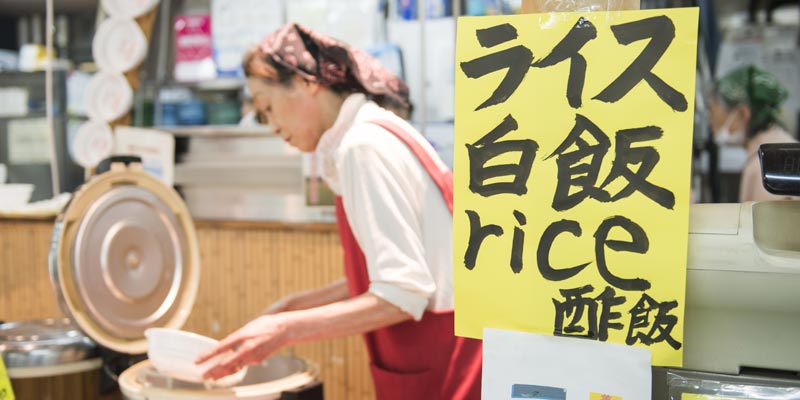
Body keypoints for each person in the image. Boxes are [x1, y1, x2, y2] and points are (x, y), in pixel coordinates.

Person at [196, 23, 482, 400]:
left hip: (444, 362)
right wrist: (292, 306)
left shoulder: (362, 146)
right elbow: (397, 271)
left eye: (267, 107)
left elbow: (404, 292)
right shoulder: (376, 130)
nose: (271, 126)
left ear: (307, 82)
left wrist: (285, 329)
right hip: (448, 350)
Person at [708, 65, 797, 201]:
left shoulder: (766, 165)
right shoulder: (779, 148)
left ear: (743, 114)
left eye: (713, 112)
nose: (710, 123)